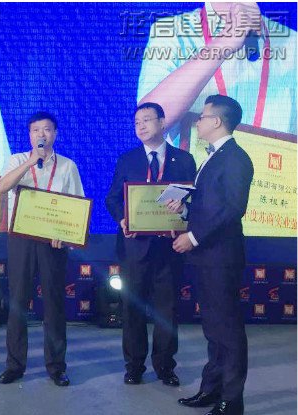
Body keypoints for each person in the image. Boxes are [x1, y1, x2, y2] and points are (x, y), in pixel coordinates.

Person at [167, 95, 253, 415]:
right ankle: (211, 389)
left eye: (202, 117)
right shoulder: (213, 156)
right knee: (213, 328)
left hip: (220, 257)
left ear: (216, 121)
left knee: (227, 330)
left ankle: (232, 400)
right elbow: (210, 206)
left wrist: (193, 237)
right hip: (208, 256)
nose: (197, 122)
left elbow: (232, 209)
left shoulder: (235, 158)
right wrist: (185, 209)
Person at [105, 103, 196, 386]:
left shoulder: (184, 159)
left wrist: (184, 210)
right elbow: (113, 199)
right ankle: (134, 366)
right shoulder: (127, 159)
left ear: (162, 122)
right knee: (133, 309)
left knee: (166, 310)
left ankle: (165, 366)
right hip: (134, 248)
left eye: (146, 120)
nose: (141, 126)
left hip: (170, 247)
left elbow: (195, 201)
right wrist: (123, 219)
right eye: (136, 122)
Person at [0, 111, 84, 386]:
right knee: (18, 301)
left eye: (46, 129)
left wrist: (66, 235)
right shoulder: (17, 159)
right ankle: (14, 365)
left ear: (55, 134)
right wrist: (30, 162)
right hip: (21, 239)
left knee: (54, 304)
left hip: (53, 242)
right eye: (36, 130)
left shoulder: (68, 166)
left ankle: (56, 367)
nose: (41, 134)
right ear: (30, 135)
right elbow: (3, 187)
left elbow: (77, 204)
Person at [137, 2, 296, 146]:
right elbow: (149, 123)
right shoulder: (171, 33)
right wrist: (226, 41)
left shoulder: (292, 44)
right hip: (195, 169)